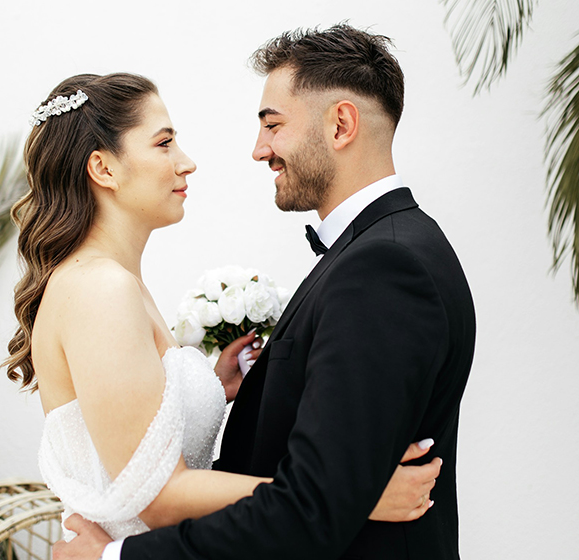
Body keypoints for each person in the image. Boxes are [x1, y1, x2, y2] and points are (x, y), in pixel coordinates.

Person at [54, 22, 475, 560]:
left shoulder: (382, 266)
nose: (259, 150)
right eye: (164, 142)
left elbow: (313, 507)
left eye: (273, 125)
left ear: (341, 124)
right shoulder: (392, 247)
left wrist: (113, 559)